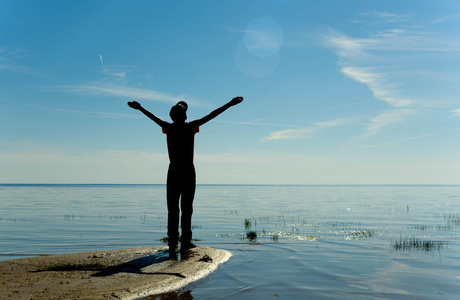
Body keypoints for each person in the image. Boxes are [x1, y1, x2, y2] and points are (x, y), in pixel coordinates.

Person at [128, 96, 244, 257]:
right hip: (187, 171)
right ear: (186, 116)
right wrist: (230, 104)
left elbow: (153, 117)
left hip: (174, 170)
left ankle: (173, 243)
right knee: (186, 209)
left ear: (172, 116)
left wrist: (140, 108)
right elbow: (212, 115)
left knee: (173, 209)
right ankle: (185, 242)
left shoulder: (169, 127)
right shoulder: (190, 127)